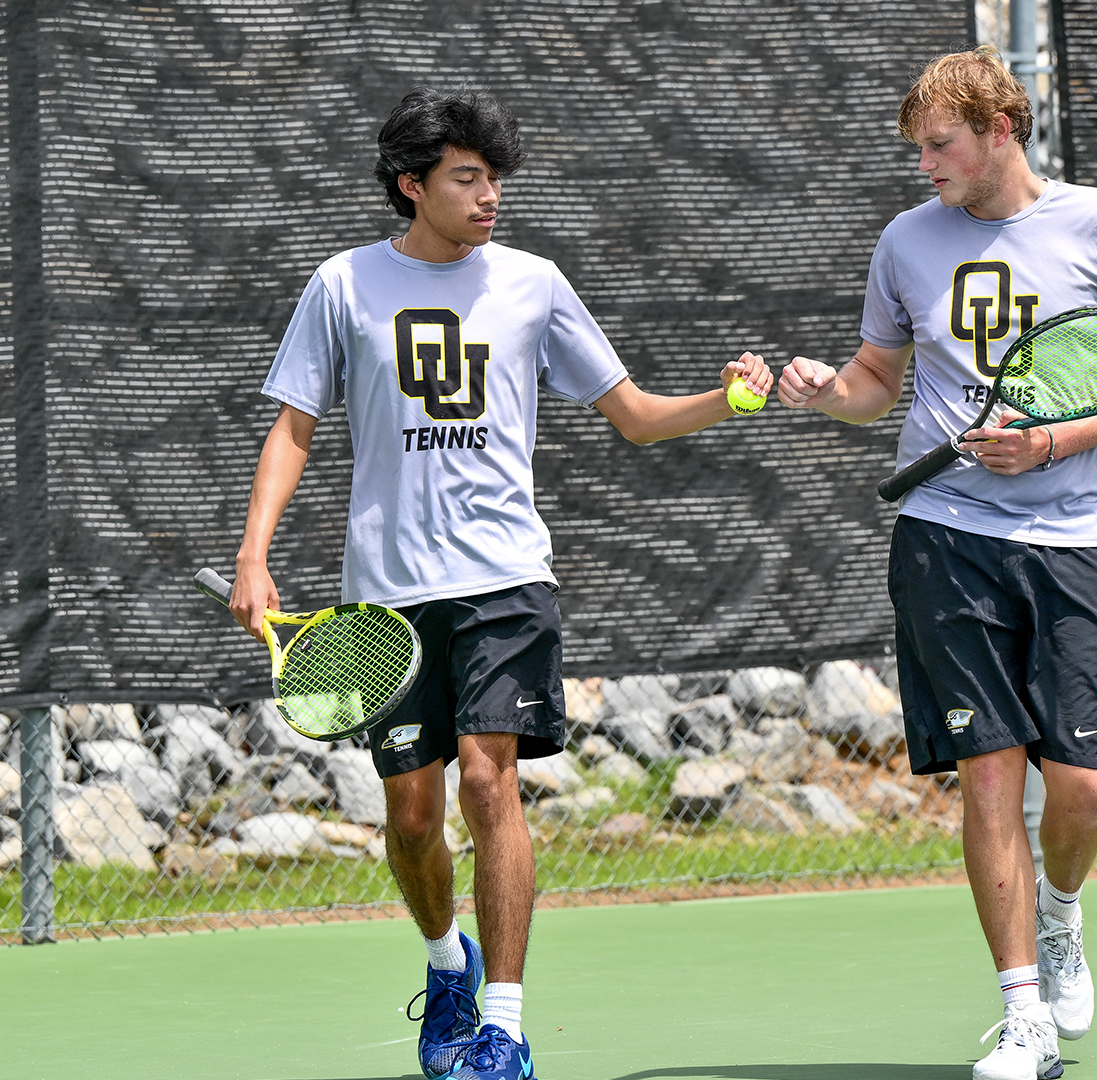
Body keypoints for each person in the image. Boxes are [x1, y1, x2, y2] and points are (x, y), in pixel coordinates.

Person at [226, 86, 772, 1080]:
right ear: (412, 186)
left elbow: (638, 416)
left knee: (489, 779)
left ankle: (505, 1031)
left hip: (505, 579)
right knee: (412, 818)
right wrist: (254, 555)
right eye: (467, 179)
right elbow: (293, 427)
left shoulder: (534, 285)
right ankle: (447, 966)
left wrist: (727, 401)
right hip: (386, 598)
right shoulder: (343, 287)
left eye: (495, 180)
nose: (489, 198)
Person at [775, 47, 1097, 1080]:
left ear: (1002, 130)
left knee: (1083, 787)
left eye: (941, 145)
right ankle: (1022, 1017)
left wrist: (1049, 443)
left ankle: (1061, 912)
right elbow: (878, 378)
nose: (925, 166)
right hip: (945, 539)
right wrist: (829, 390)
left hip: (1070, 543)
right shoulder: (906, 242)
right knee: (990, 775)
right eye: (918, 149)